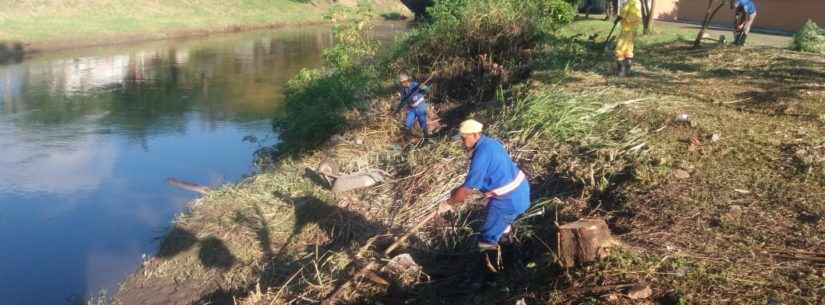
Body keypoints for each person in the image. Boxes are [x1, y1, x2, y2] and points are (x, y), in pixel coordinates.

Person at [443, 119, 531, 274]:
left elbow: (466, 191)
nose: (463, 143)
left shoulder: (481, 154)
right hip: (520, 190)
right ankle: (513, 262)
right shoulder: (490, 143)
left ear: (476, 135)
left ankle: (491, 274)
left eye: (464, 138)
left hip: (509, 199)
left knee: (487, 237)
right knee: (502, 228)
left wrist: (448, 203)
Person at [394, 73, 431, 139]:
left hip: (420, 106)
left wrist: (424, 87)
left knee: (422, 122)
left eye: (403, 82)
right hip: (411, 109)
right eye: (401, 83)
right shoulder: (403, 90)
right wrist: (397, 111)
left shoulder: (415, 84)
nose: (402, 84)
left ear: (407, 81)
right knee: (408, 124)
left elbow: (427, 90)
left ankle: (426, 138)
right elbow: (403, 101)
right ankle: (409, 139)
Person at [614, 0, 641, 77]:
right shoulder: (637, 2)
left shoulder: (630, 2)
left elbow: (624, 12)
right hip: (633, 29)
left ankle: (621, 70)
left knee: (620, 48)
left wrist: (618, 18)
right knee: (629, 48)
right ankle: (628, 69)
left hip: (627, 28)